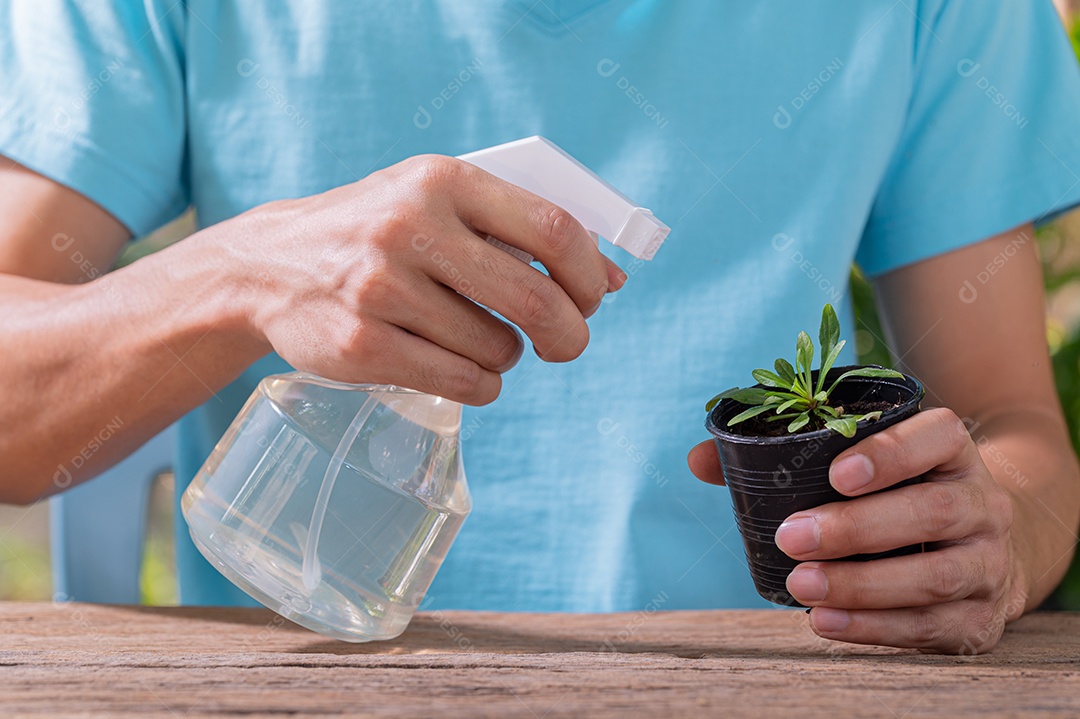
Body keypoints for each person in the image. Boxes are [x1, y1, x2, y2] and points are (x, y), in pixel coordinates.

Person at [2, 0, 1078, 654]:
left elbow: (1009, 421)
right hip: (307, 678)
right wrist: (239, 269)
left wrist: (997, 537)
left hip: (766, 678)